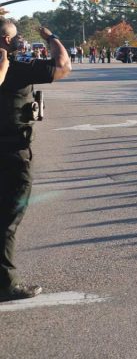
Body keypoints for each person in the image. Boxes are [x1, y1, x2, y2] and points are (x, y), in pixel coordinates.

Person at [0, 21, 72, 302]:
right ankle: (5, 284)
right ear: (6, 40)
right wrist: (51, 37)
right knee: (7, 219)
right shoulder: (16, 69)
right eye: (16, 38)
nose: (21, 43)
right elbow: (64, 65)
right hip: (12, 153)